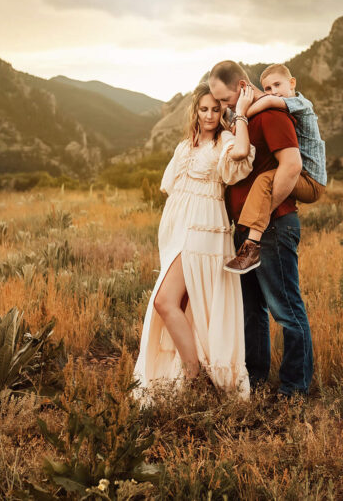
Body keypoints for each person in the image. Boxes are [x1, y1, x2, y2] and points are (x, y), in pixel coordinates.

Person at [132, 82, 256, 402]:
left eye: (216, 109)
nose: (210, 115)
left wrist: (239, 115)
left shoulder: (225, 141)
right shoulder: (184, 145)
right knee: (181, 305)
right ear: (195, 111)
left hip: (203, 232)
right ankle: (191, 373)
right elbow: (171, 190)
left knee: (164, 301)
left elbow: (242, 154)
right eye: (204, 109)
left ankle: (195, 376)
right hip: (178, 231)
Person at [208, 60, 315, 398]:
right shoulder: (244, 120)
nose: (224, 108)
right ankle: (255, 380)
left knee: (286, 309)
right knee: (252, 310)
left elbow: (292, 165)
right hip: (246, 232)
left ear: (241, 87)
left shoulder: (270, 115)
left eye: (226, 100)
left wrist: (262, 217)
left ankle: (294, 389)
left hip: (273, 227)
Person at [224, 63, 326, 274]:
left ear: (292, 83)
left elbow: (267, 101)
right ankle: (250, 245)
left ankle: (252, 247)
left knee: (265, 180)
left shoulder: (300, 103)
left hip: (312, 180)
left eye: (277, 85)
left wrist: (241, 115)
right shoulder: (282, 107)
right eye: (268, 88)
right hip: (302, 177)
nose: (273, 91)